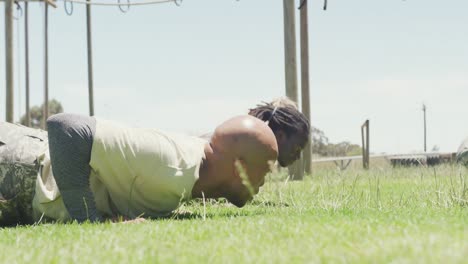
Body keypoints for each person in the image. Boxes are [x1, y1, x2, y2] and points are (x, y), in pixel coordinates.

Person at [1, 113, 279, 225]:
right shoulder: (170, 160)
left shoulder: (204, 167)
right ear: (239, 167)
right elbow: (66, 128)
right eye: (265, 171)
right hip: (17, 168)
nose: (266, 181)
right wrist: (92, 223)